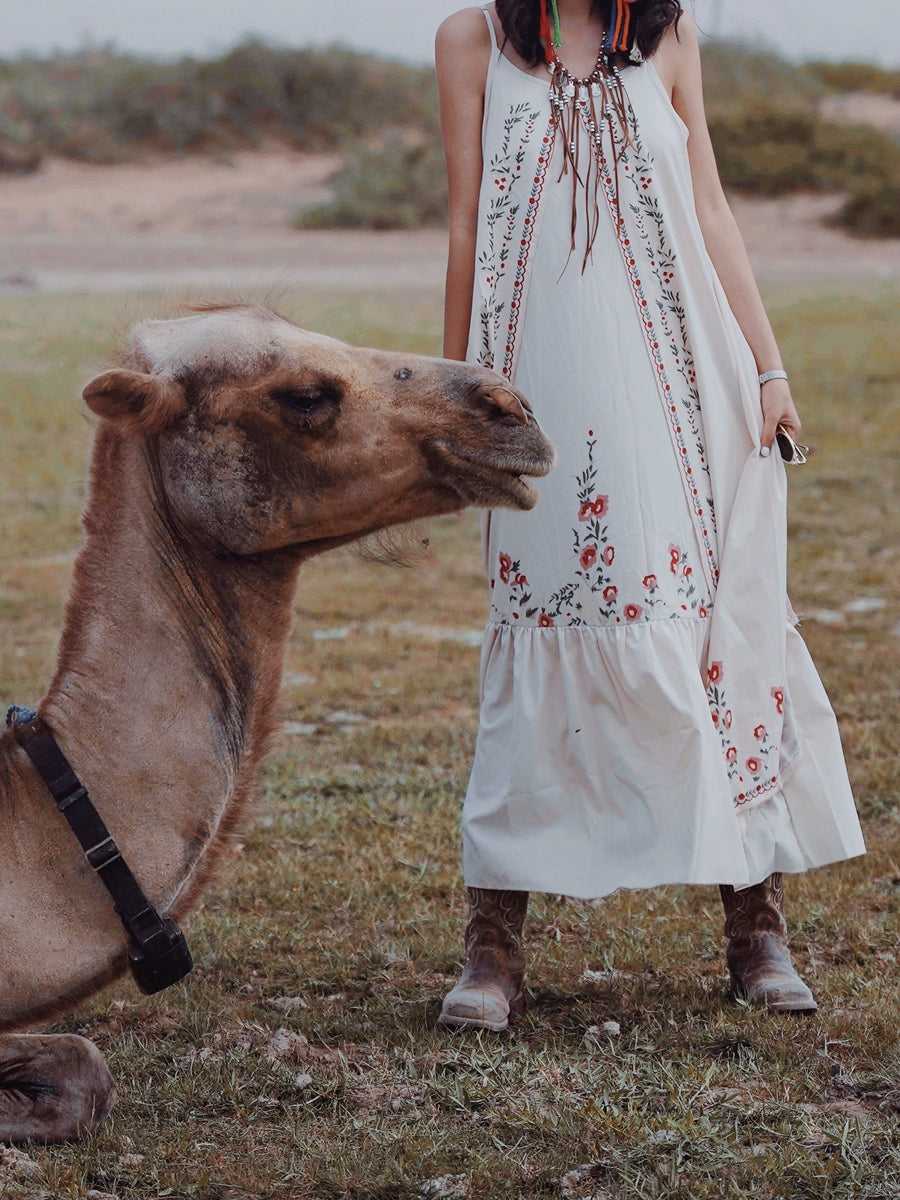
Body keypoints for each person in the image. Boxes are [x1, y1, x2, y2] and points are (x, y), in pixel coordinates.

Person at [434, 0, 865, 1031]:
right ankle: (494, 944)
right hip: (543, 386)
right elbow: (464, 219)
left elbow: (709, 206)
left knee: (716, 623)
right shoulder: (471, 40)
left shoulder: (667, 34)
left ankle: (755, 926)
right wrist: (448, 400)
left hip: (683, 385)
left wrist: (768, 366)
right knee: (536, 628)